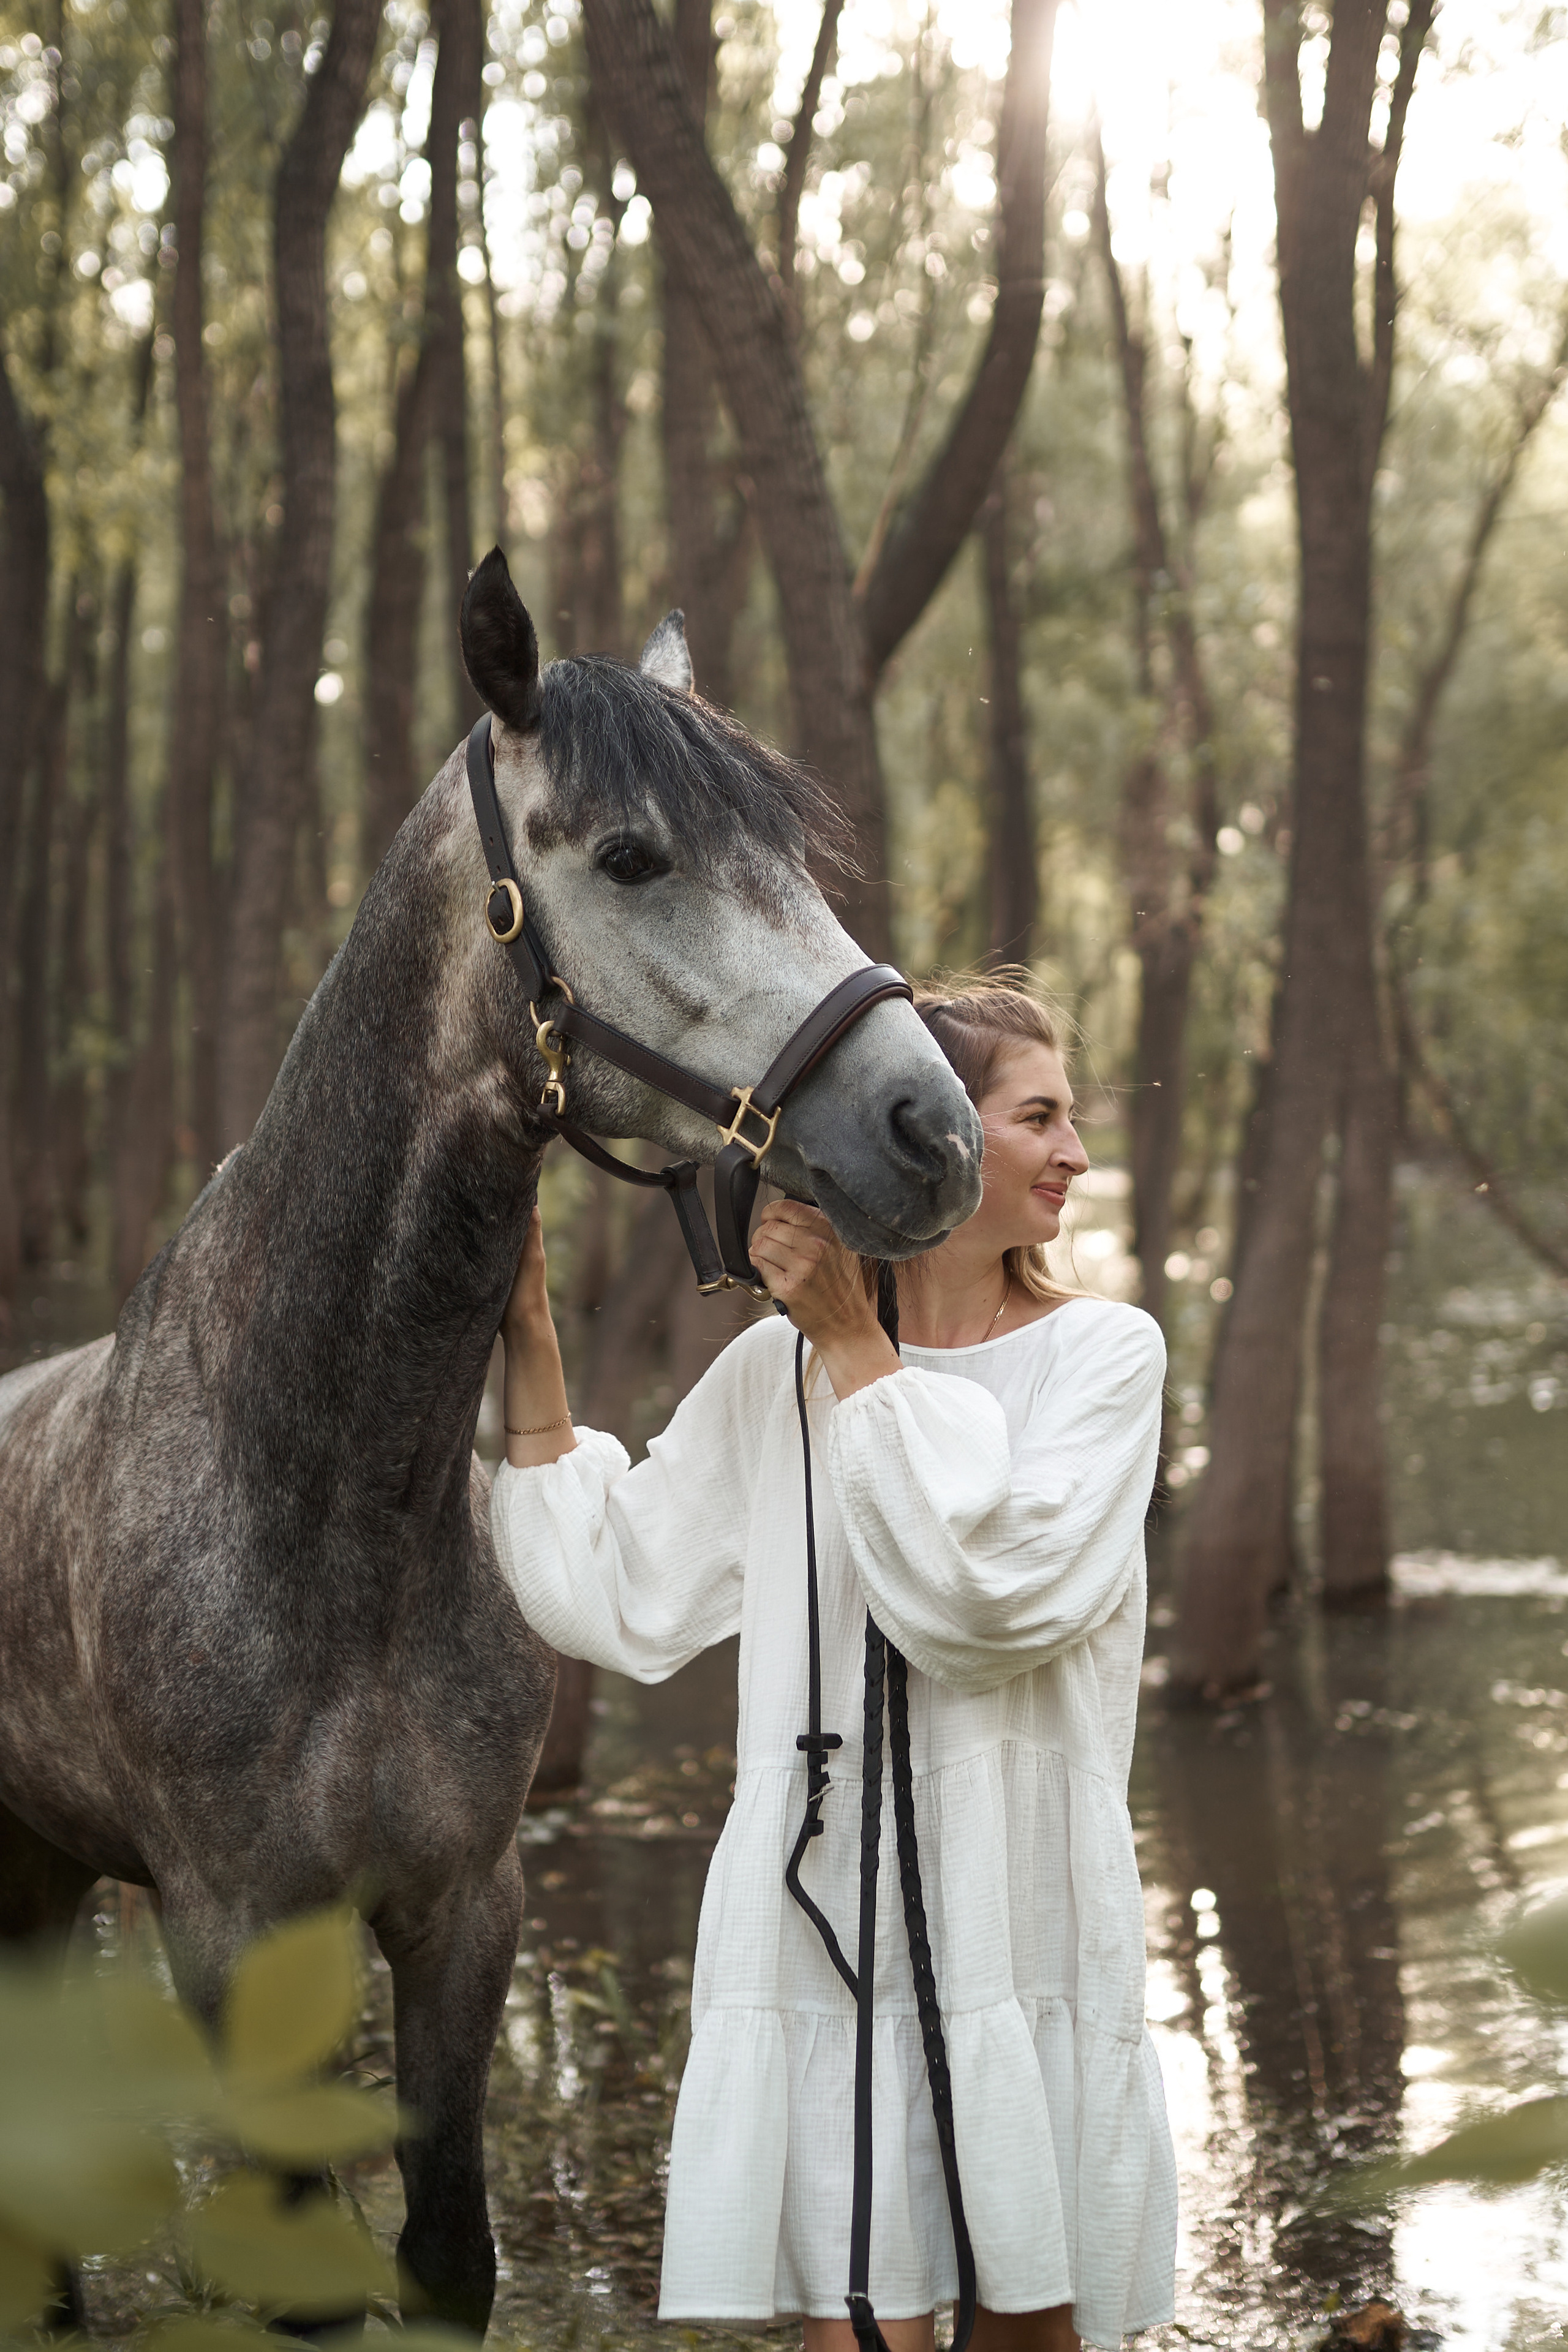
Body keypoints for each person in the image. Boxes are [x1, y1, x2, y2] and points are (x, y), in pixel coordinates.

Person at [492, 979, 1177, 2352]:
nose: (1075, 1157)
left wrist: (857, 1346)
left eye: (1068, 1120)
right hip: (824, 1899)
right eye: (1036, 1117)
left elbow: (985, 1606)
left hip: (1019, 1896)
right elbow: (622, 1586)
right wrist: (532, 1330)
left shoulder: (1102, 1356)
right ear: (922, 1134)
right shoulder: (772, 1380)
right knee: (850, 2328)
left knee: (1026, 2319)